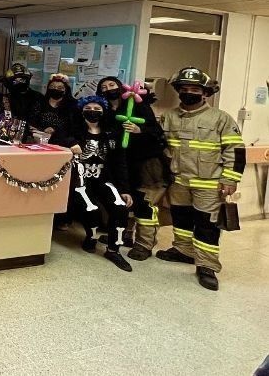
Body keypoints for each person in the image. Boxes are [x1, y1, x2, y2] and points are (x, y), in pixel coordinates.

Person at [155, 67, 244, 291]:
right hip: (179, 181)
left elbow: (236, 150)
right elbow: (159, 145)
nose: (188, 93)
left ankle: (207, 265)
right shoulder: (169, 116)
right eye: (184, 89)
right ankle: (184, 251)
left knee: (207, 225)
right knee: (181, 219)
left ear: (205, 93)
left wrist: (230, 179)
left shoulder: (221, 118)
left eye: (194, 89)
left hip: (209, 183)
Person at [95, 77, 168, 261]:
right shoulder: (105, 111)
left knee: (145, 203)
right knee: (125, 199)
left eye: (111, 85)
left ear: (120, 87)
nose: (108, 89)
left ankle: (143, 244)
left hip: (145, 163)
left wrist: (139, 130)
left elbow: (157, 133)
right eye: (103, 87)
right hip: (121, 163)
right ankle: (125, 236)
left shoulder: (138, 106)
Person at [65, 96, 134, 272]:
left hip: (104, 179)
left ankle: (114, 250)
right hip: (81, 178)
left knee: (120, 207)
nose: (93, 111)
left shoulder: (111, 134)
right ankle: (91, 237)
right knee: (91, 208)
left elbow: (120, 162)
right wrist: (70, 143)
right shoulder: (73, 130)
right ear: (81, 110)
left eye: (98, 108)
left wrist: (125, 189)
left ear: (104, 111)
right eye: (89, 107)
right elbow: (58, 138)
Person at [29, 73, 76, 144]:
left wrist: (55, 130)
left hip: (63, 143)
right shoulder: (40, 103)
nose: (55, 89)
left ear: (66, 90)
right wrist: (43, 130)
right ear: (48, 88)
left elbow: (73, 127)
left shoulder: (72, 105)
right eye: (52, 87)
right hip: (39, 141)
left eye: (60, 88)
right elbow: (31, 123)